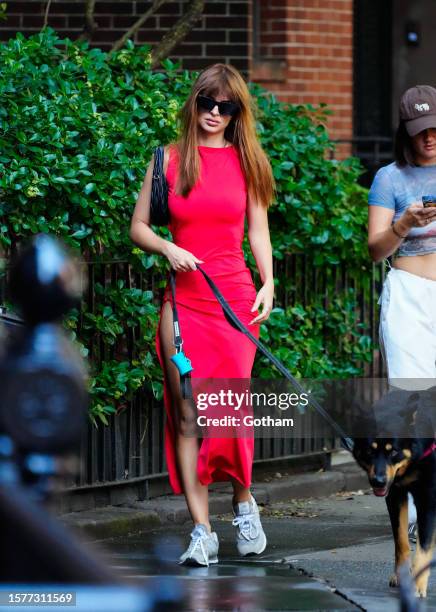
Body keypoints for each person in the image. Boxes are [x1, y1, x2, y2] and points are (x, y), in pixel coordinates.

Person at [130, 64, 274, 566]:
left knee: (229, 409)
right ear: (193, 105)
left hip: (234, 300)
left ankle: (242, 500)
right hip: (183, 301)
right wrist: (168, 248)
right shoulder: (167, 160)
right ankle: (201, 529)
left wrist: (269, 282)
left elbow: (258, 231)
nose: (214, 113)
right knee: (188, 413)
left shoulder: (247, 161)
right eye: (206, 103)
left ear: (238, 112)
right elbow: (139, 227)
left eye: (225, 106)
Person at [368, 84, 436, 539]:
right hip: (408, 291)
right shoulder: (389, 178)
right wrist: (405, 223)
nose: (429, 137)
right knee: (413, 395)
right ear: (406, 132)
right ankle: (411, 498)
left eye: (435, 128)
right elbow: (375, 249)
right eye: (420, 131)